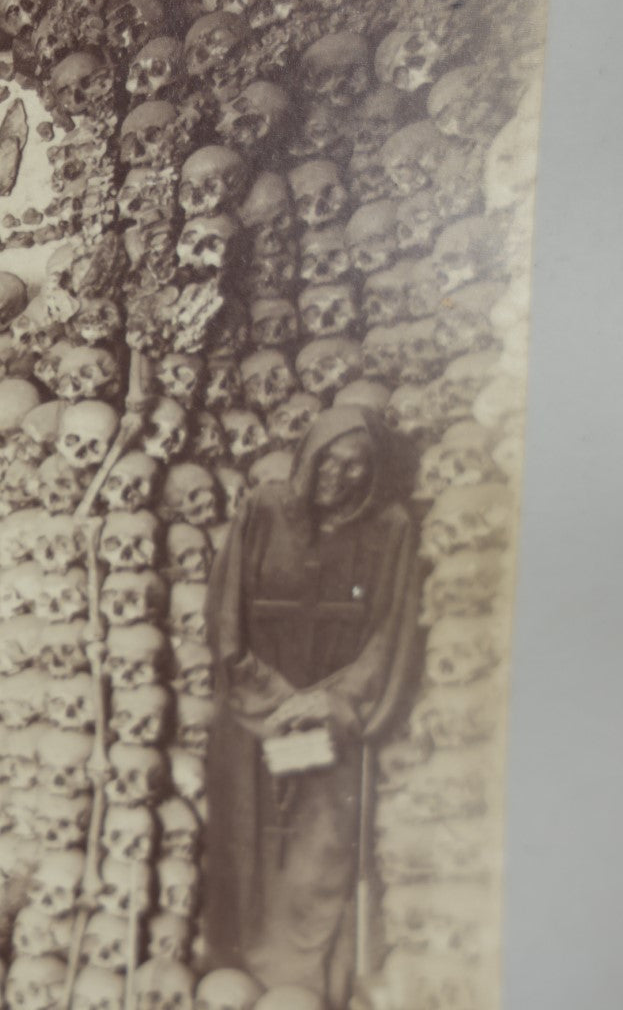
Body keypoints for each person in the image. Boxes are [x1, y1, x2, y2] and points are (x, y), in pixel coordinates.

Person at [202, 406, 422, 1005]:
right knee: (246, 842)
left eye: (359, 467)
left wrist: (329, 701)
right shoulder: (261, 510)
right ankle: (234, 981)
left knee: (318, 852)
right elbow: (226, 617)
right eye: (331, 459)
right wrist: (274, 700)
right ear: (310, 457)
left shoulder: (391, 529)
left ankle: (299, 988)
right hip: (255, 719)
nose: (341, 476)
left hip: (330, 725)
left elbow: (389, 633)